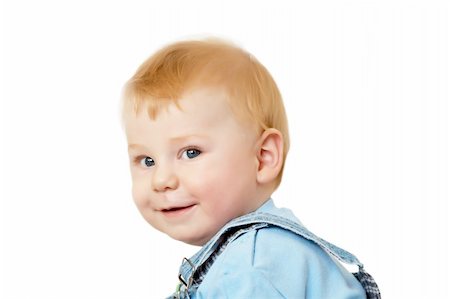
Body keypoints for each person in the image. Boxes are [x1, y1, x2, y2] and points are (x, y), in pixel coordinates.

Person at [121, 37, 381, 298]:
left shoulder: (251, 266)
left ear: (263, 157)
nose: (161, 179)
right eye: (147, 161)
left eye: (191, 153)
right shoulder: (266, 252)